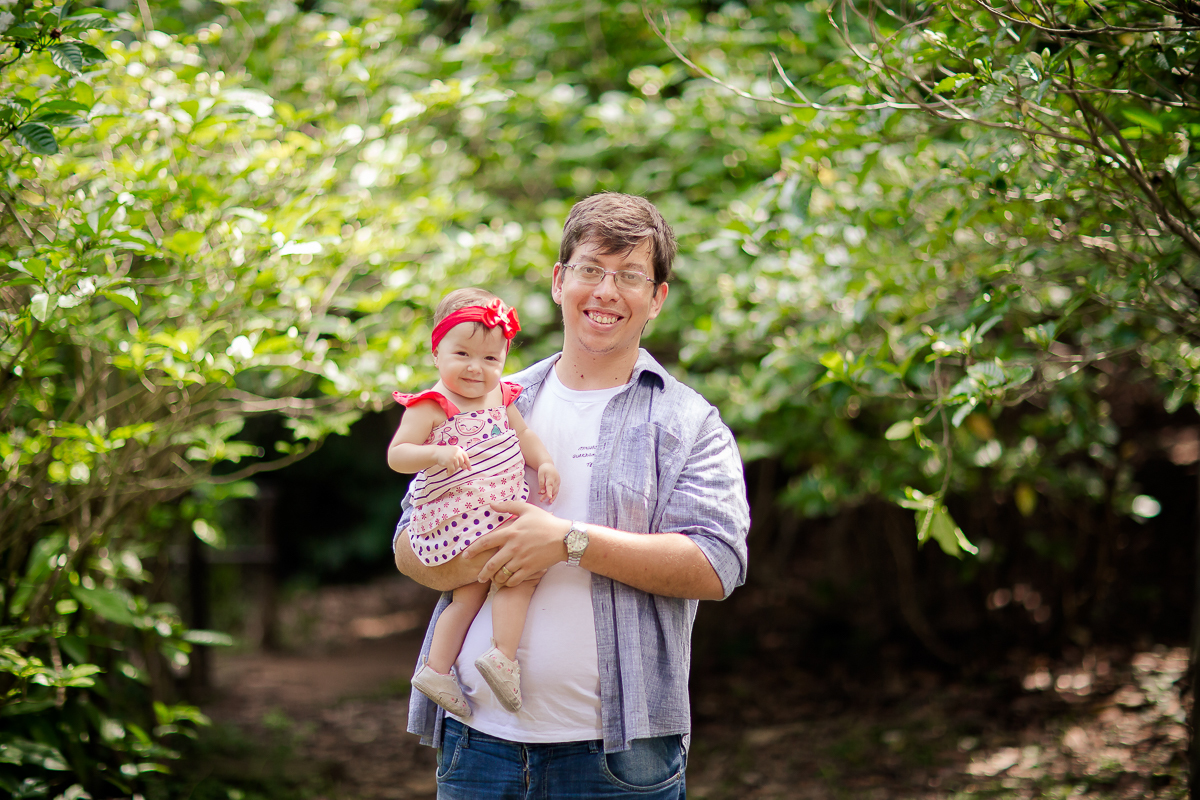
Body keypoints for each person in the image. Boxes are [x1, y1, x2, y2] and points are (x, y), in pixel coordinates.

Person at [393, 192, 750, 799]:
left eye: (631, 276)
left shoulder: (689, 422)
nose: (606, 291)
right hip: (476, 745)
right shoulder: (489, 399)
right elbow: (407, 548)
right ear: (560, 282)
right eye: (591, 269)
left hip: (617, 758)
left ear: (657, 298)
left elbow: (718, 565)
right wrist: (490, 556)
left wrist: (567, 543)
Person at [388, 288, 561, 718]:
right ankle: (502, 655)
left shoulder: (501, 395)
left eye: (490, 359)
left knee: (468, 595)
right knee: (519, 574)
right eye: (462, 353)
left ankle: (437, 668)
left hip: (491, 510)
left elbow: (524, 437)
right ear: (437, 351)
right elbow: (397, 455)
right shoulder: (433, 405)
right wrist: (436, 453)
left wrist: (544, 464)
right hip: (458, 515)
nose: (475, 368)